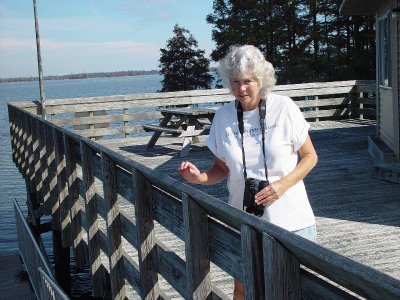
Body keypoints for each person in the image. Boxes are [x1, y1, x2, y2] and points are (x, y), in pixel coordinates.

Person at [178, 45, 318, 299]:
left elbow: (310, 157)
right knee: (243, 289)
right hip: (244, 221)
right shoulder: (223, 117)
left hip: (292, 222)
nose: (241, 89)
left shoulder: (284, 108)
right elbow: (221, 168)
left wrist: (282, 185)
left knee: (295, 291)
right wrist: (198, 178)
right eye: (235, 82)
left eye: (248, 81)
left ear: (260, 79)